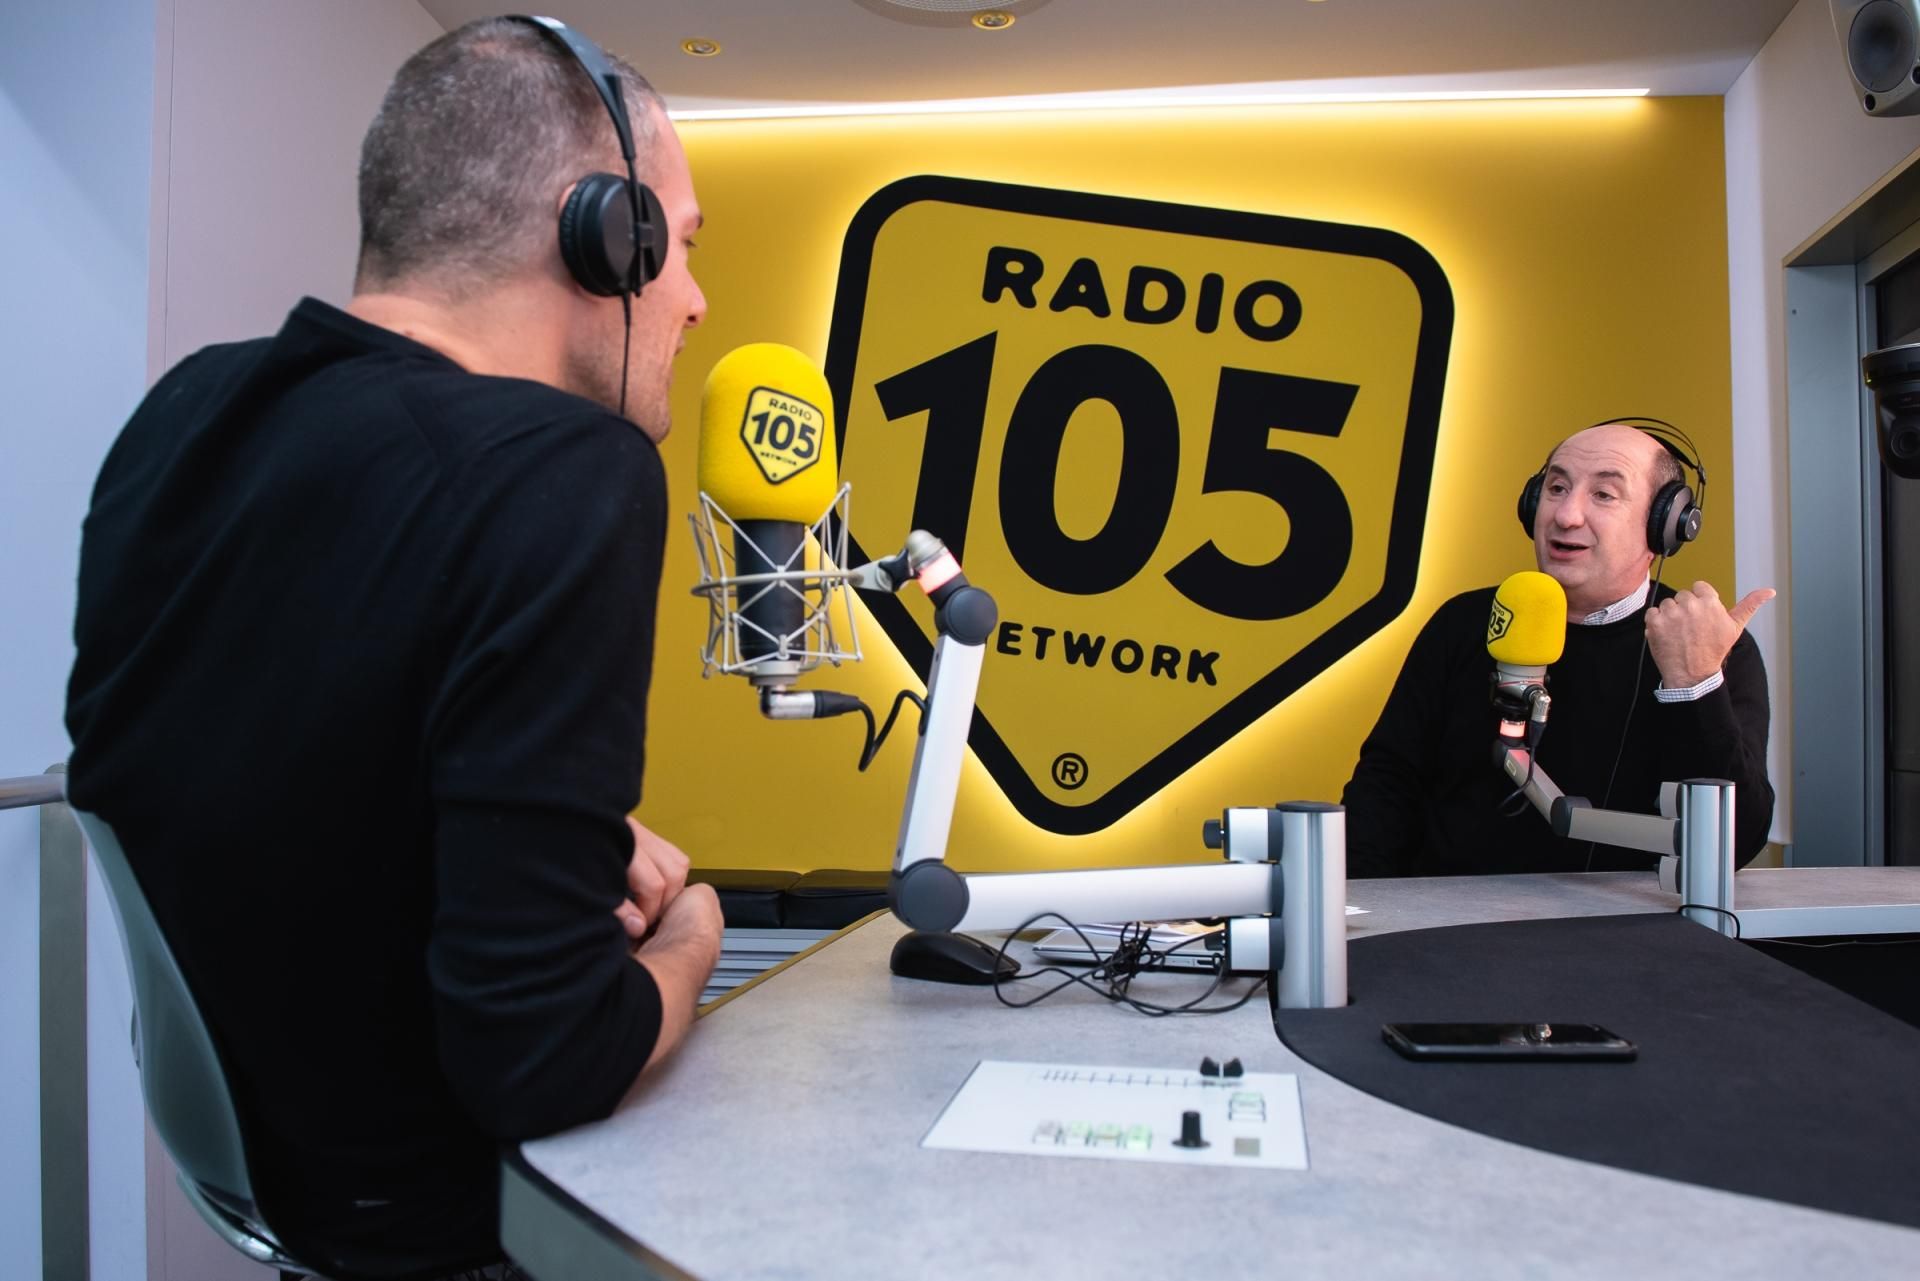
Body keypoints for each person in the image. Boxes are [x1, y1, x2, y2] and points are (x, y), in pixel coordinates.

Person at [65, 18, 721, 1277]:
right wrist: (694, 931)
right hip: (469, 1238)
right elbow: (544, 1057)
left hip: (294, 1203)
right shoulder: (567, 470)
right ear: (605, 234)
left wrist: (545, 845)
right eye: (681, 246)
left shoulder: (183, 416)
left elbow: (274, 773)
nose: (692, 299)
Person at [1341, 421, 1776, 878]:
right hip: (1446, 913)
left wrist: (1693, 684)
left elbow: (1734, 842)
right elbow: (1386, 784)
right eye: (1556, 488)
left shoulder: (1705, 646)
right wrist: (1365, 905)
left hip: (1626, 918)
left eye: (1604, 494)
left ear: (1664, 526)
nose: (1566, 515)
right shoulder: (1465, 622)